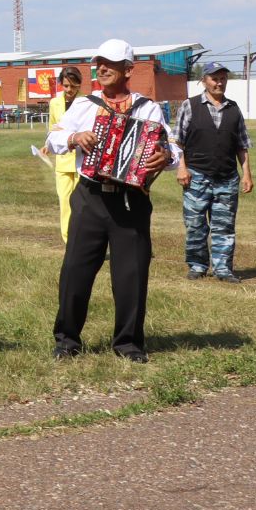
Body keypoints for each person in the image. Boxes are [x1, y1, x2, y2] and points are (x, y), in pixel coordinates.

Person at [48, 39, 179, 363]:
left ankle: (129, 344)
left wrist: (165, 157)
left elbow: (173, 148)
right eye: (99, 62)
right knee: (75, 272)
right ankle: (66, 340)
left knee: (131, 274)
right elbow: (53, 139)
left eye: (111, 63)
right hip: (90, 197)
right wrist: (74, 137)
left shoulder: (147, 108)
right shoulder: (84, 105)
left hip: (131, 201)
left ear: (128, 70)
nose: (102, 68)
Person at [174, 64, 253, 283]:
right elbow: (177, 142)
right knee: (195, 224)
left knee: (224, 226)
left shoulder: (233, 109)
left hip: (227, 178)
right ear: (204, 81)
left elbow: (242, 145)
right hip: (196, 176)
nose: (219, 83)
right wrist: (182, 168)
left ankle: (223, 269)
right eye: (214, 79)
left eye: (222, 79)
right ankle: (198, 265)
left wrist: (246, 174)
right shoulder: (189, 106)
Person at [49, 66, 84, 240]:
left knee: (81, 203)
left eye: (73, 86)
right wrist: (46, 146)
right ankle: (68, 239)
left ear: (79, 85)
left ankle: (83, 238)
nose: (69, 90)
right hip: (62, 161)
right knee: (64, 201)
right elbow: (52, 130)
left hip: (80, 161)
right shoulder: (54, 103)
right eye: (65, 86)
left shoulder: (86, 103)